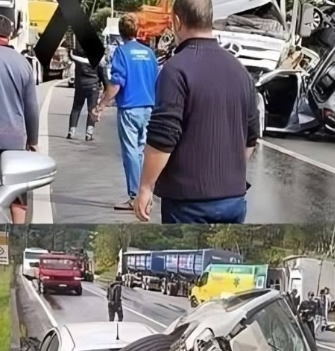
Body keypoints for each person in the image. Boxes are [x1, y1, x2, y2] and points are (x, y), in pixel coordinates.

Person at [133, 0, 260, 224]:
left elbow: (163, 137)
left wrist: (145, 187)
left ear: (177, 22)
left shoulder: (176, 69)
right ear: (210, 19)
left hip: (188, 203)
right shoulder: (240, 71)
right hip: (233, 199)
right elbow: (250, 138)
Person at [92, 14, 159, 212]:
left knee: (130, 153)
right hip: (149, 108)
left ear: (121, 32)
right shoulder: (149, 53)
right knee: (141, 152)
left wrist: (100, 106)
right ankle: (146, 194)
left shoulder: (122, 52)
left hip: (130, 108)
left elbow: (116, 84)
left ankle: (135, 197)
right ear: (137, 30)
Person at [0, 15, 39, 224]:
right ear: (10, 34)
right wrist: (33, 141)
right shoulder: (23, 63)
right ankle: (18, 233)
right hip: (15, 140)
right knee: (17, 196)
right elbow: (31, 108)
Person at [67, 43, 108, 141]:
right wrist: (106, 87)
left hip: (80, 85)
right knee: (92, 109)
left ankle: (71, 132)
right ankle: (89, 134)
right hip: (93, 86)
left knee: (76, 108)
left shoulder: (77, 58)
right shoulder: (98, 59)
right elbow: (103, 74)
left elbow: (70, 54)